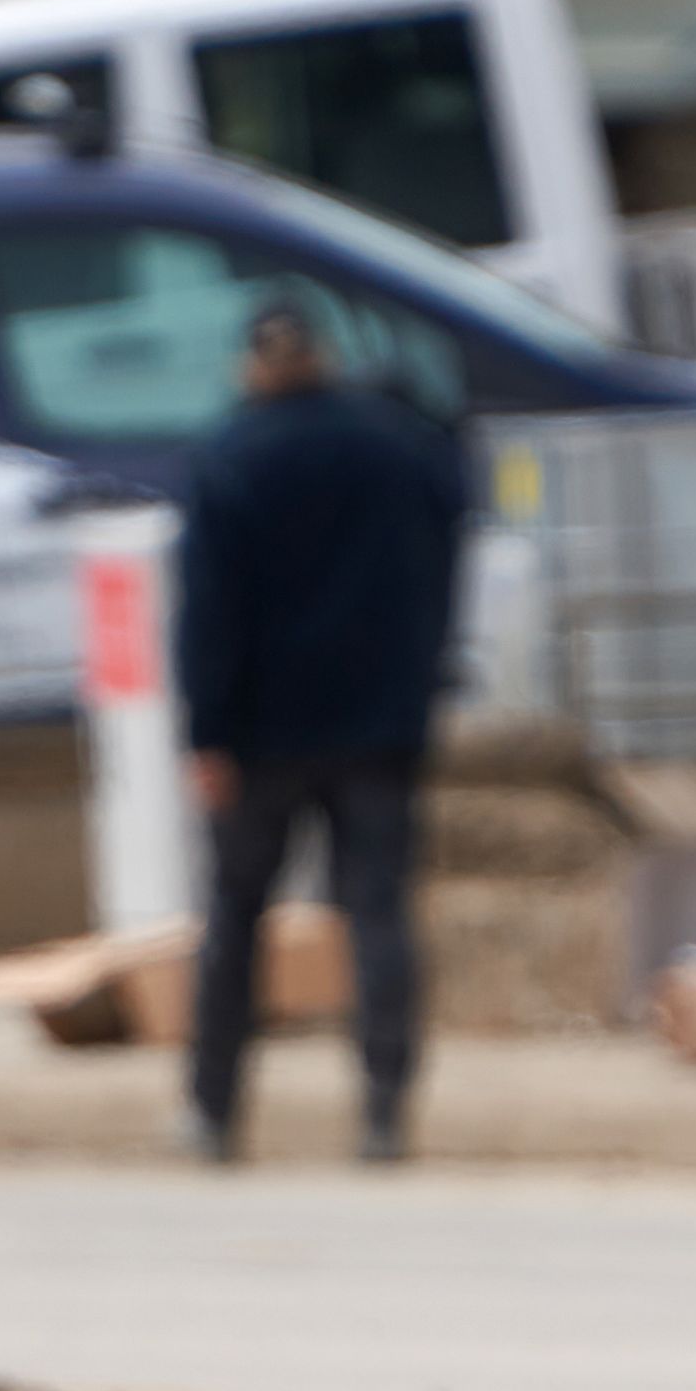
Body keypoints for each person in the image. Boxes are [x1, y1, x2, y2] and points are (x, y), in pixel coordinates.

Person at [170, 295, 470, 1168]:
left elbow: (210, 616)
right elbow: (448, 556)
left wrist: (207, 731)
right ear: (324, 357)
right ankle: (384, 1111)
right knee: (377, 913)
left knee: (235, 919)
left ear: (253, 365)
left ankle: (214, 1113)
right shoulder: (401, 446)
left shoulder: (232, 457)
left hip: (262, 734)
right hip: (380, 723)